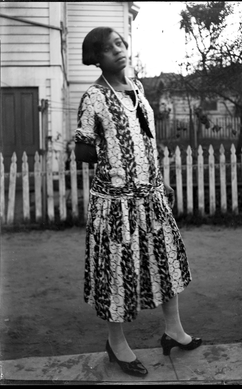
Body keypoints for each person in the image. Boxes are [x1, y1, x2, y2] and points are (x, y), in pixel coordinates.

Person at [75, 27, 202, 378]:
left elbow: (146, 144)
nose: (117, 51)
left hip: (151, 196)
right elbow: (82, 149)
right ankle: (116, 345)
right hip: (115, 204)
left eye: (120, 44)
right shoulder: (94, 97)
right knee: (117, 270)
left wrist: (159, 182)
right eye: (107, 48)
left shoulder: (140, 93)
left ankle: (173, 331)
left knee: (166, 261)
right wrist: (117, 159)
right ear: (95, 58)